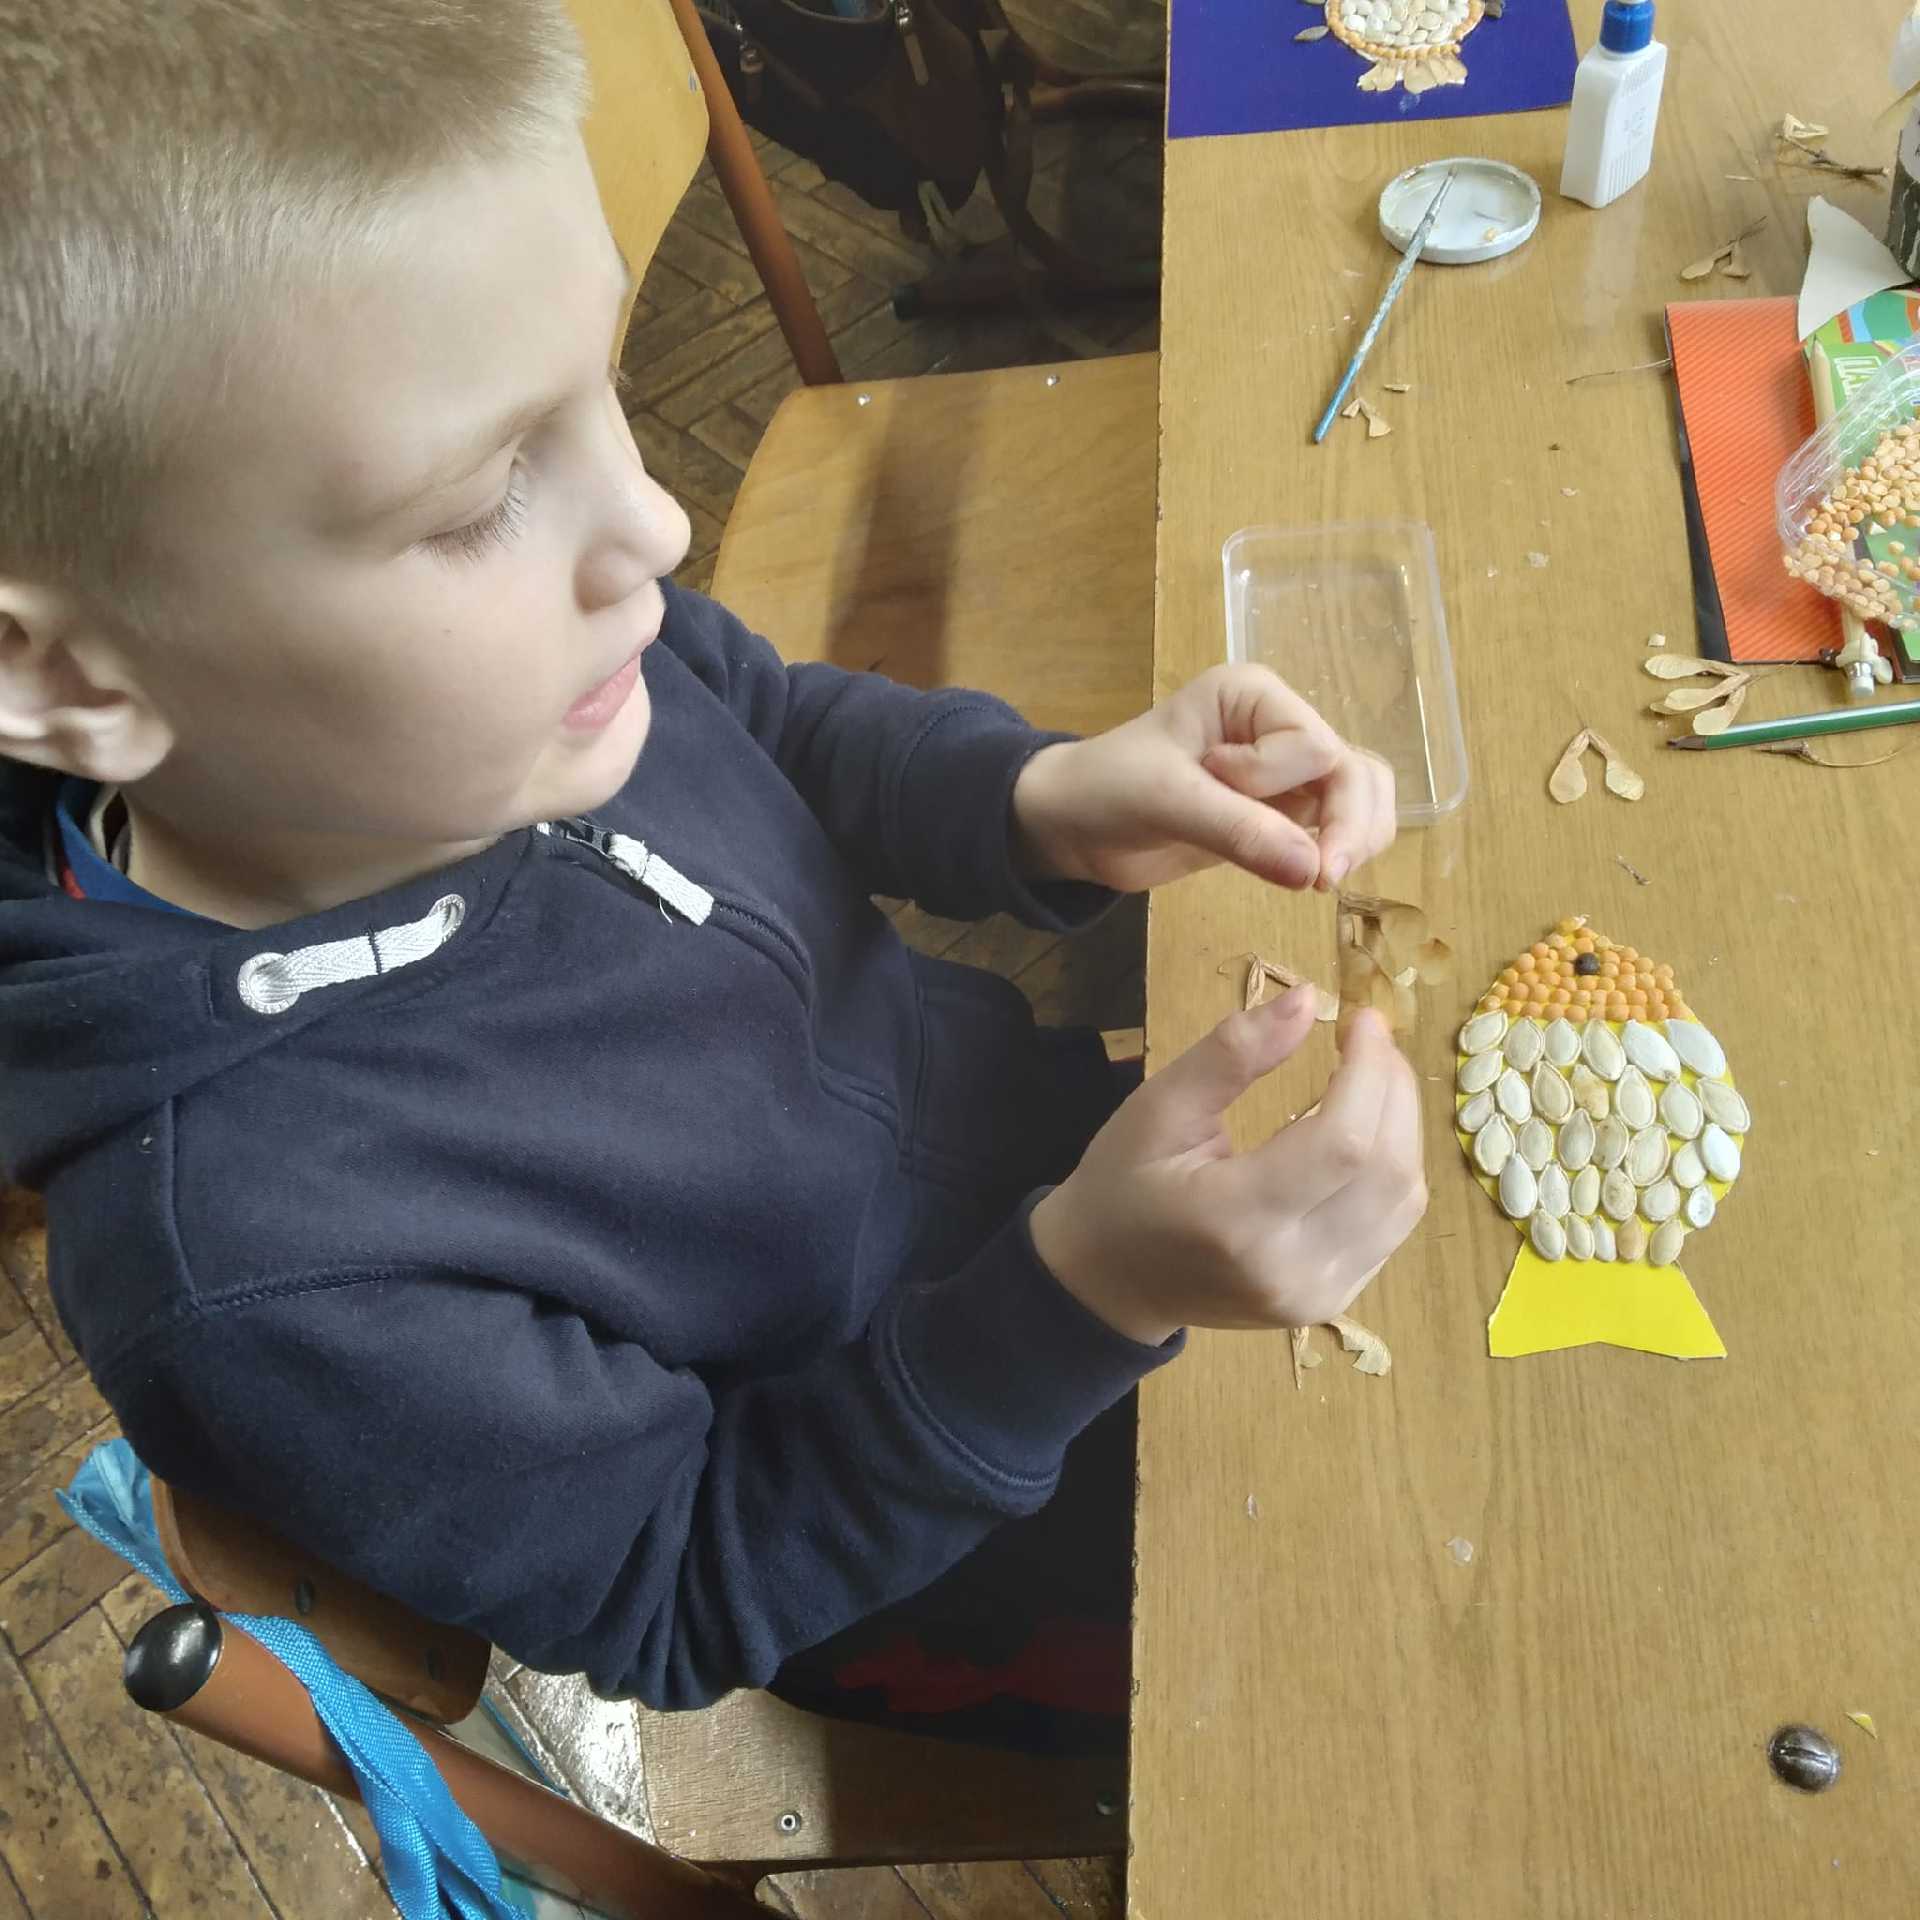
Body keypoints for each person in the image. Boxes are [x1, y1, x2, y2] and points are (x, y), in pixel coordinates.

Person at [0, 0, 1425, 1755]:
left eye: (604, 385)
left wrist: (1038, 799)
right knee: (1405, 1675)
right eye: (477, 496)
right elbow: (683, 1578)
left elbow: (774, 718)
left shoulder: (522, 681)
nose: (656, 526)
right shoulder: (260, 1277)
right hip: (961, 1537)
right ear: (64, 678)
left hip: (1063, 1163)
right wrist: (1083, 1300)